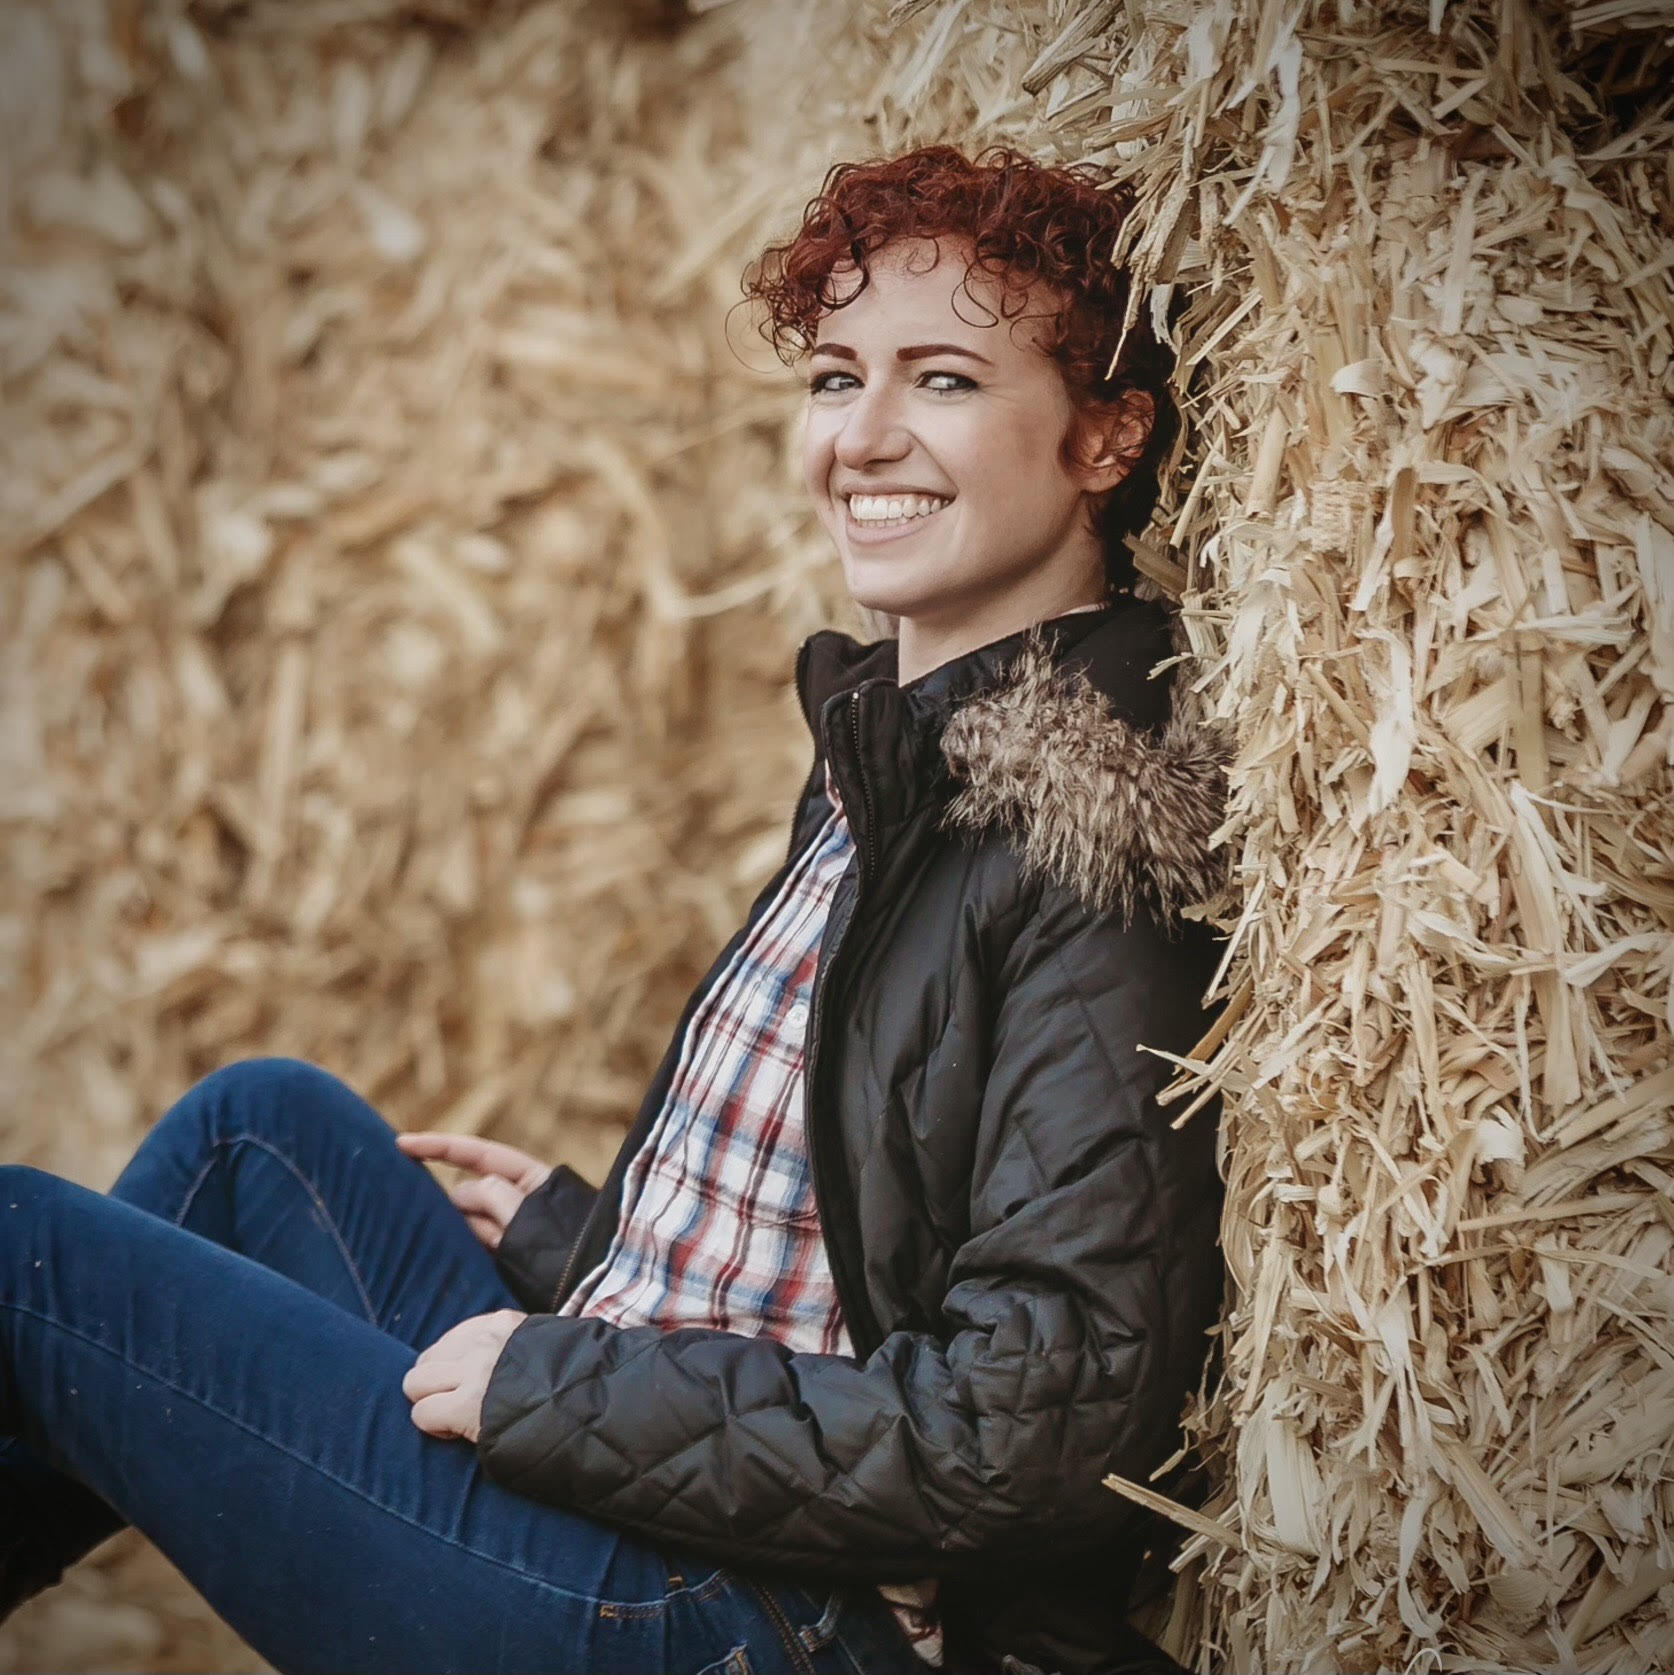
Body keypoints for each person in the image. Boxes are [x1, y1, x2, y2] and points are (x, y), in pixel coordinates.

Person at [0, 144, 1232, 1675]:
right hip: (685, 1508)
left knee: (22, 1247)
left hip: (768, 1619)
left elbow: (1031, 1431)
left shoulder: (1090, 841)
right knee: (262, 1133)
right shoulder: (896, 755)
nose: (863, 435)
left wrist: (557, 1382)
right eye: (835, 377)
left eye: (944, 380)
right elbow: (861, 1254)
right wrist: (584, 1245)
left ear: (1106, 434)